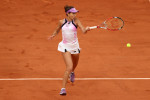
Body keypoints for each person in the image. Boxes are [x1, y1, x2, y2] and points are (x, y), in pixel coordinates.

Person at [48, 5, 90, 95]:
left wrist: (86, 29)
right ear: (68, 13)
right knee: (69, 67)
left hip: (75, 46)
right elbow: (57, 30)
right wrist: (53, 35)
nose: (75, 15)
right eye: (73, 13)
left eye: (75, 13)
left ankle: (72, 73)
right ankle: (63, 89)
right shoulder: (61, 22)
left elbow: (83, 30)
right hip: (65, 46)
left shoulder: (77, 21)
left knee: (74, 66)